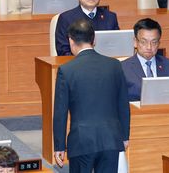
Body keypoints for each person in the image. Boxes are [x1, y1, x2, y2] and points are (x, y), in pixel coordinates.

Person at [53, 19, 130, 173]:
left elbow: (60, 112)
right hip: (111, 139)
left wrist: (60, 146)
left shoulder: (66, 70)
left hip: (81, 142)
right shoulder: (114, 65)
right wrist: (124, 136)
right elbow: (123, 103)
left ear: (71, 41)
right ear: (94, 40)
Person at [54, 0, 119, 56]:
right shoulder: (66, 18)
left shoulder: (110, 17)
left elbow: (116, 46)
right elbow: (63, 51)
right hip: (78, 65)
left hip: (105, 63)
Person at [121, 18, 169, 101]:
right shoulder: (122, 68)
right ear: (135, 42)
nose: (149, 47)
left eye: (154, 42)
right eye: (143, 42)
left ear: (159, 43)